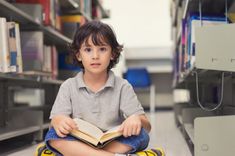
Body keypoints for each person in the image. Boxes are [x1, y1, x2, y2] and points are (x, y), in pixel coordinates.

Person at [42, 20, 164, 156]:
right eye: (88, 50)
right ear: (78, 55)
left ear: (112, 54)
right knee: (52, 135)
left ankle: (82, 153)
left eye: (102, 49)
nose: (95, 56)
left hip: (110, 141)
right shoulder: (68, 86)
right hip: (80, 139)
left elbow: (147, 126)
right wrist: (59, 121)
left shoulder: (123, 86)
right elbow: (55, 121)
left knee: (141, 136)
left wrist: (136, 119)